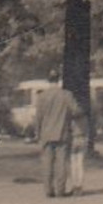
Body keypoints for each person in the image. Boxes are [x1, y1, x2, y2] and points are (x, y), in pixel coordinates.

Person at [32, 69, 83, 197]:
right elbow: (76, 111)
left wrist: (37, 133)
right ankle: (60, 190)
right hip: (62, 132)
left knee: (47, 162)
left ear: (48, 80)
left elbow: (38, 117)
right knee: (61, 162)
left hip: (46, 134)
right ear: (59, 80)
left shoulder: (42, 96)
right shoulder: (66, 95)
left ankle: (48, 190)